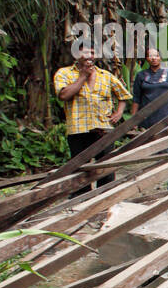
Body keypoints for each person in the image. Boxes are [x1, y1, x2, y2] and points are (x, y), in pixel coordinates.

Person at [53, 46, 131, 187]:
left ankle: (104, 198)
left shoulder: (105, 75)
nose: (90, 55)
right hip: (78, 129)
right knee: (79, 169)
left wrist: (119, 113)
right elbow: (64, 95)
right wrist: (83, 76)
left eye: (93, 52)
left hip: (103, 128)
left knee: (105, 168)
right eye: (86, 52)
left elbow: (123, 95)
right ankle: (81, 200)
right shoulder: (64, 73)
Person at [132, 47, 168, 127]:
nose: (154, 58)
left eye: (156, 56)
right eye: (150, 56)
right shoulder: (141, 75)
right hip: (148, 119)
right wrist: (133, 120)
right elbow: (136, 98)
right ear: (146, 59)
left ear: (160, 58)